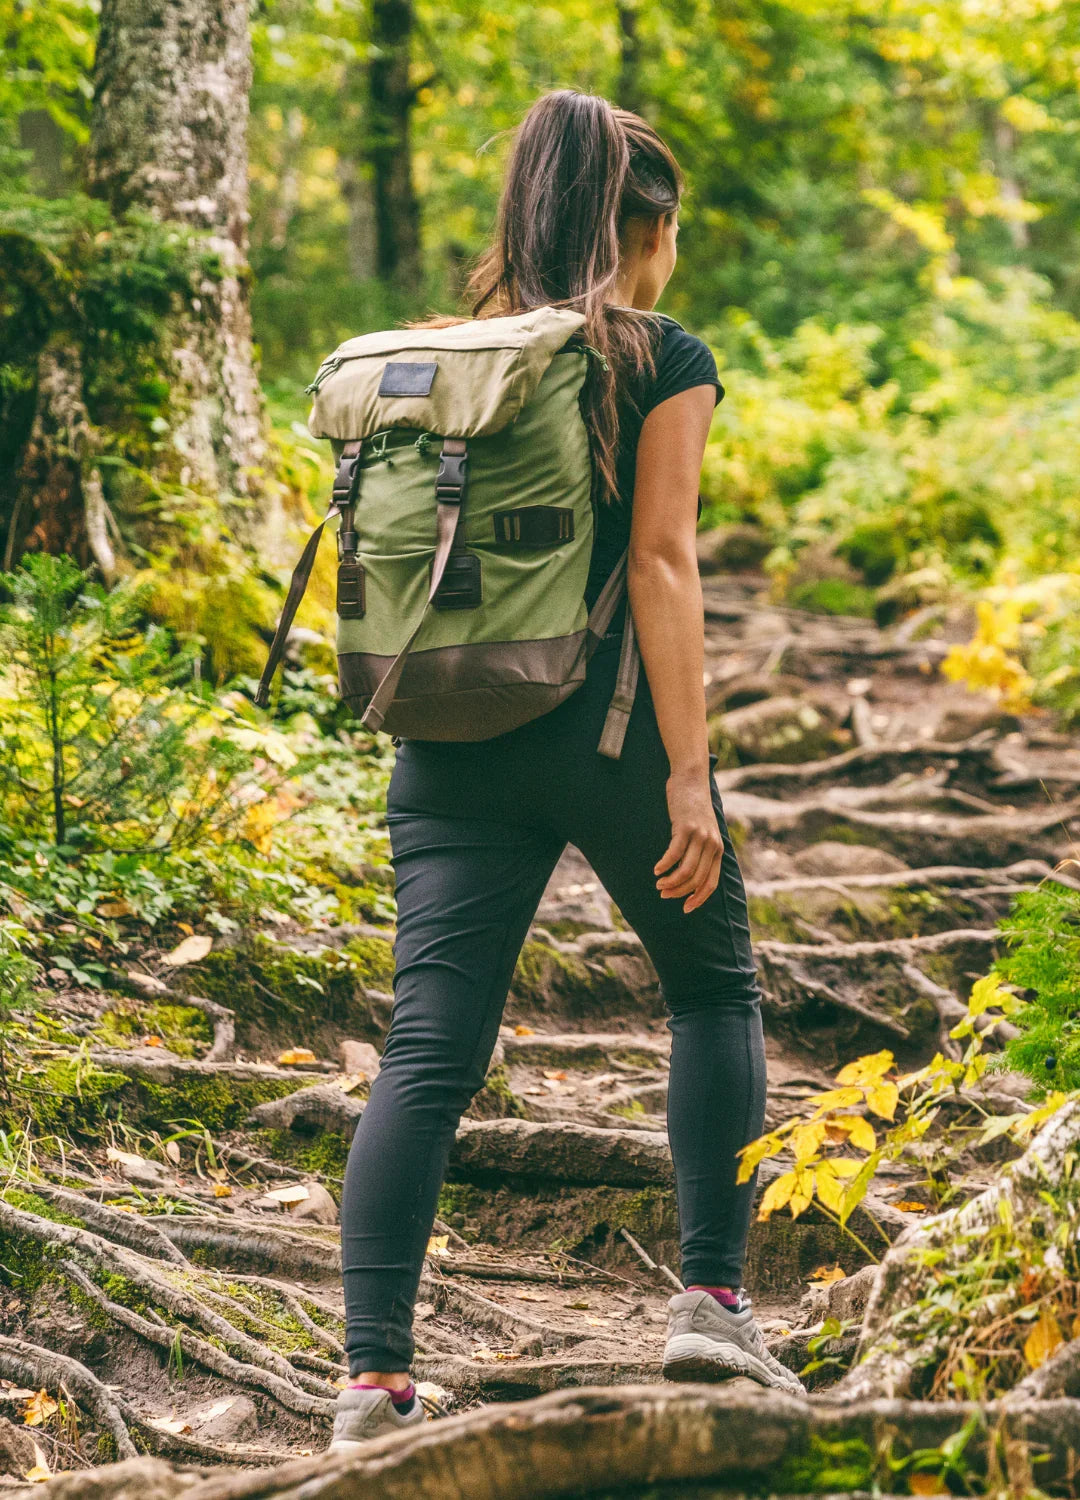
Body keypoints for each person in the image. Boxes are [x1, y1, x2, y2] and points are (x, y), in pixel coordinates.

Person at [330, 88, 804, 1452]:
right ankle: (711, 1302)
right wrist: (688, 774)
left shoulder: (446, 356)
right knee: (715, 992)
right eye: (672, 231)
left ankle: (372, 1381)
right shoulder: (659, 353)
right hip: (607, 740)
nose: (676, 259)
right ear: (640, 226)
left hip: (448, 742)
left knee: (426, 1048)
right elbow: (660, 560)